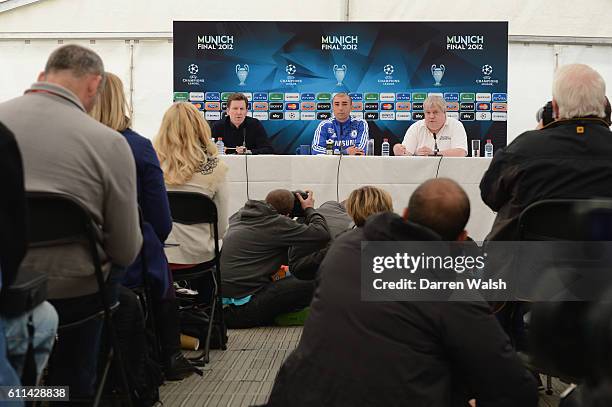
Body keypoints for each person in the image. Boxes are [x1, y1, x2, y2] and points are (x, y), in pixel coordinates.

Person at [265, 179, 537, 407]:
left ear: (405, 215)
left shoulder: (345, 247)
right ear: (461, 237)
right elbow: (517, 389)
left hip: (299, 393)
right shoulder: (454, 292)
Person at [0, 44, 142, 398]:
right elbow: (125, 249)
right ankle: (72, 390)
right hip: (77, 292)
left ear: (41, 77)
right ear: (95, 85)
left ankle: (21, 393)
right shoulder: (108, 143)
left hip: (5, 284)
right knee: (116, 272)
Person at [90, 73, 197, 381]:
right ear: (121, 102)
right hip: (126, 259)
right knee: (152, 246)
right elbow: (161, 220)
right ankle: (170, 354)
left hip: (66, 260)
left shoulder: (66, 146)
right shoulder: (138, 148)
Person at [481, 64, 612, 241]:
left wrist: (537, 135)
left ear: (555, 107)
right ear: (604, 104)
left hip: (526, 263)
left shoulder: (522, 149)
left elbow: (490, 196)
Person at [221, 189, 330, 328]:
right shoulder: (277, 223)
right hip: (241, 310)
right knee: (316, 280)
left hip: (220, 305)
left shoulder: (240, 215)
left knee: (290, 274)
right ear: (287, 214)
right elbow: (322, 233)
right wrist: (309, 209)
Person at [155, 102, 229, 267]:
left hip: (158, 254)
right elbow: (221, 228)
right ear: (201, 128)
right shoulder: (217, 169)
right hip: (199, 255)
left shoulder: (151, 166)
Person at [289, 187, 392, 280]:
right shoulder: (397, 240)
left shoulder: (346, 242)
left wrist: (308, 210)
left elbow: (299, 269)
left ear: (352, 210)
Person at [393, 95, 468, 157]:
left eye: (435, 112)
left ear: (444, 112)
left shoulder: (456, 125)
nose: (431, 116)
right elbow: (406, 153)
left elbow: (461, 152)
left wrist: (433, 153)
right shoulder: (416, 127)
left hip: (449, 172)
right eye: (428, 112)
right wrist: (398, 151)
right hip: (420, 172)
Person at [210, 92, 274, 154]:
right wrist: (217, 152)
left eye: (242, 109)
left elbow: (268, 149)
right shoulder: (217, 126)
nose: (239, 112)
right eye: (235, 108)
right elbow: (207, 150)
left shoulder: (255, 124)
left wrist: (249, 152)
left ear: (246, 111)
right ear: (228, 111)